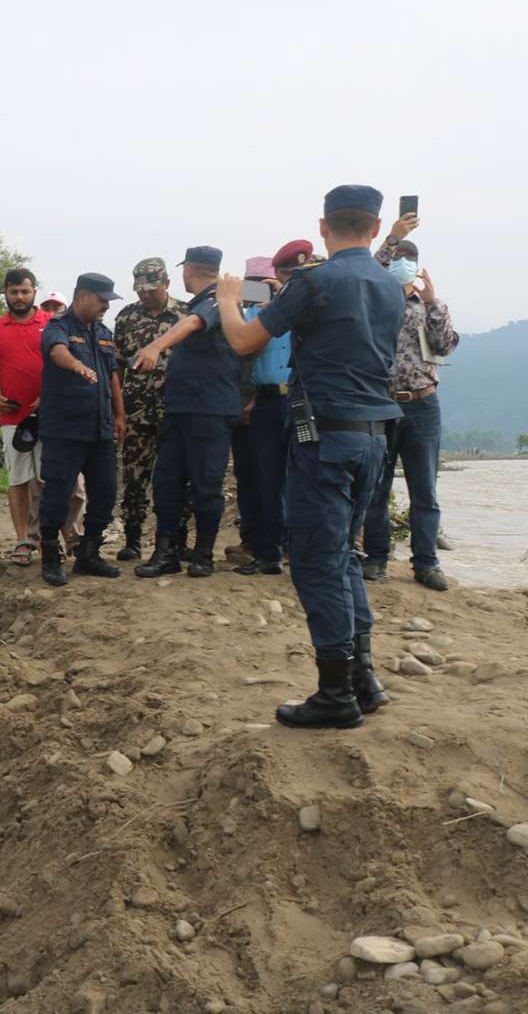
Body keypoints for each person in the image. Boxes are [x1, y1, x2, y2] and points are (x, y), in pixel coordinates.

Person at [215, 185, 404, 730]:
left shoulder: (315, 282)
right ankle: (363, 677)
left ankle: (335, 694)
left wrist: (229, 300)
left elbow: (247, 341)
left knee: (319, 562)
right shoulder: (390, 287)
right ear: (375, 227)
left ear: (324, 226)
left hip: (324, 438)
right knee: (343, 553)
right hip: (375, 434)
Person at [132, 246, 242, 579]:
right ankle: (165, 553)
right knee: (167, 480)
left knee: (206, 483)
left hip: (208, 410)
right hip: (181, 408)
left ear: (189, 269)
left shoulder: (216, 300)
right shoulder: (209, 299)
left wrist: (155, 345)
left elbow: (194, 323)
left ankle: (203, 555)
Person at [361, 238, 458, 590]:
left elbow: (444, 344)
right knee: (376, 487)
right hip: (380, 402)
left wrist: (433, 302)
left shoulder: (426, 304)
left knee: (424, 489)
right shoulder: (373, 300)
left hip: (422, 403)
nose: (402, 263)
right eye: (397, 258)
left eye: (409, 258)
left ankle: (426, 563)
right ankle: (376, 557)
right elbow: (367, 267)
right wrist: (388, 242)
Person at [38, 274, 127, 586]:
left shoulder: (103, 332)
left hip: (100, 429)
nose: (105, 305)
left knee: (105, 492)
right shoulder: (58, 327)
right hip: (65, 429)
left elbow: (113, 375)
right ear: (83, 296)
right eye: (102, 299)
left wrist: (120, 415)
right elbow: (58, 353)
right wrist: (77, 365)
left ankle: (89, 553)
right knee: (58, 493)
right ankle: (50, 556)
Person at [111, 257, 185, 561]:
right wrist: (119, 412)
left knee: (177, 478)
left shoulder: (186, 314)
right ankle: (132, 540)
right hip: (137, 412)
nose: (145, 294)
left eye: (151, 289)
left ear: (166, 283)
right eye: (140, 289)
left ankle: (175, 542)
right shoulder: (126, 317)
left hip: (177, 411)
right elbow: (116, 368)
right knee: (134, 478)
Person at [0, 268, 47, 563]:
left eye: (25, 291)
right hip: (12, 419)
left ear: (34, 292)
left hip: (48, 416)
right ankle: (21, 540)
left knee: (48, 480)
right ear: (5, 292)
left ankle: (49, 538)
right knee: (18, 481)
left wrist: (50, 395)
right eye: (14, 291)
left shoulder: (51, 324)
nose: (19, 297)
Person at [229, 256, 292, 576]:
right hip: (257, 404)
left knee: (295, 476)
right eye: (251, 282)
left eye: (263, 282)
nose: (259, 289)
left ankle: (291, 545)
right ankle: (265, 549)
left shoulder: (297, 310)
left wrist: (283, 298)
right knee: (260, 477)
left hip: (296, 402)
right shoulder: (243, 315)